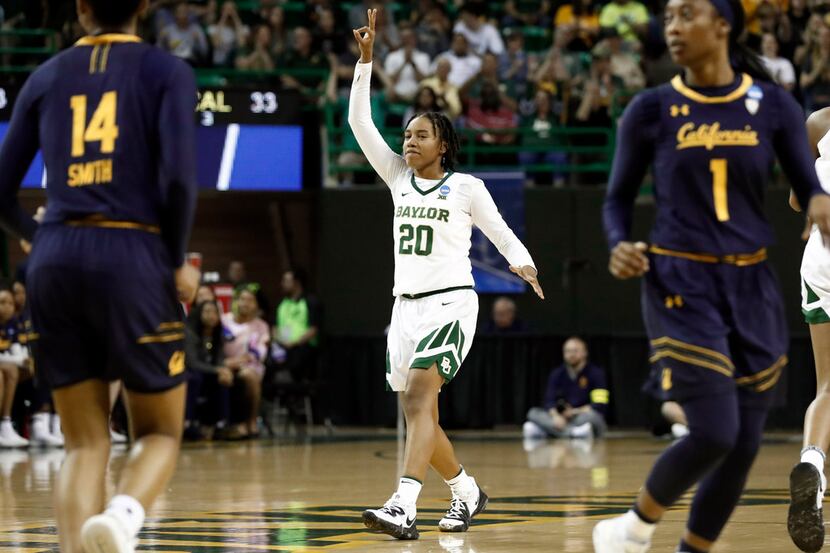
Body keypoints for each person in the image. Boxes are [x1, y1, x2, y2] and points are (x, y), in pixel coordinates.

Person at [596, 0, 830, 549]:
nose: (672, 27)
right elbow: (616, 201)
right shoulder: (651, 109)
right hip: (682, 283)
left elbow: (806, 188)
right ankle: (631, 531)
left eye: (687, 15)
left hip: (751, 286)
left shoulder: (773, 106)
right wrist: (617, 244)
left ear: (723, 25)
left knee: (745, 443)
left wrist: (819, 204)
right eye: (669, 17)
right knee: (715, 431)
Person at [0, 0, 200, 551]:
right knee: (159, 430)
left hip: (55, 257)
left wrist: (40, 239)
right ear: (146, 5)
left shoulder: (44, 75)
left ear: (81, 7)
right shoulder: (168, 72)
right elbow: (181, 182)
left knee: (84, 444)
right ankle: (124, 514)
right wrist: (176, 257)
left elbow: (1, 189)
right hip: (132, 248)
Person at [349, 9, 544, 541]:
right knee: (420, 414)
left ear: (443, 145)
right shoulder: (395, 177)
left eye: (420, 136)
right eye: (407, 135)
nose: (408, 142)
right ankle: (466, 492)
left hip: (452, 302)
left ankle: (402, 505)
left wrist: (523, 264)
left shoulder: (466, 188)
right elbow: (359, 124)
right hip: (404, 308)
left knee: (417, 399)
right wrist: (366, 63)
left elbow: (501, 232)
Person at [789, 106, 830, 553]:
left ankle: (813, 466)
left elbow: (799, 199)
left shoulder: (818, 122)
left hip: (821, 260)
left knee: (828, 387)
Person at [524, 337, 609, 439]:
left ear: (585, 353)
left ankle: (547, 431)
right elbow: (549, 401)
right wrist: (556, 416)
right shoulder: (557, 374)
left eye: (575, 351)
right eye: (568, 351)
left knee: (593, 416)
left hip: (581, 416)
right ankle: (573, 433)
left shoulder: (596, 373)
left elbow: (599, 403)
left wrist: (573, 412)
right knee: (533, 413)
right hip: (560, 418)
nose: (571, 354)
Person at [222, 287, 269, 439]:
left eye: (250, 300)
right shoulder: (224, 321)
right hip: (225, 363)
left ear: (256, 305)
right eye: (242, 299)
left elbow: (260, 351)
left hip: (249, 365)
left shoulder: (261, 326)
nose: (245, 304)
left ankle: (251, 420)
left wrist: (243, 360)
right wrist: (226, 362)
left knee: (248, 376)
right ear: (235, 302)